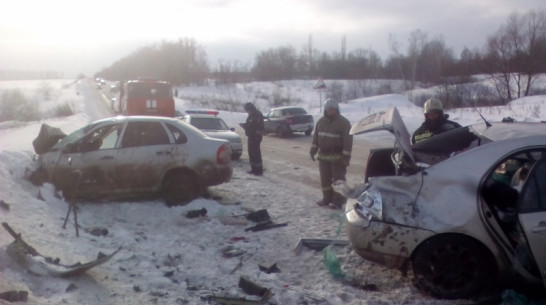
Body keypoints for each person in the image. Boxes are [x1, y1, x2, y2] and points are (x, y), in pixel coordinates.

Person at [309, 99, 353, 209]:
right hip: (323, 157)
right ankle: (326, 199)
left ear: (337, 110)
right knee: (325, 180)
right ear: (325, 110)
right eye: (329, 110)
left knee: (338, 181)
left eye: (333, 110)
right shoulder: (320, 122)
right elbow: (316, 139)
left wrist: (345, 158)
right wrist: (313, 150)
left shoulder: (344, 123)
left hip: (337, 158)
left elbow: (347, 142)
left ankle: (338, 202)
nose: (331, 111)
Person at [239, 102, 264, 175]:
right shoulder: (250, 116)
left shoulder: (258, 115)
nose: (247, 112)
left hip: (256, 137)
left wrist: (257, 135)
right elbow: (248, 125)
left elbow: (260, 126)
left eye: (247, 110)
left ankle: (259, 170)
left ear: (251, 109)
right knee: (251, 153)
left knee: (256, 154)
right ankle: (253, 169)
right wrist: (243, 125)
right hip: (250, 136)